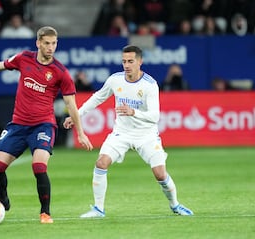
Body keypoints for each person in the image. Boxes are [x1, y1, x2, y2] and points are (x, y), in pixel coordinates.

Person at [0, 26, 93, 224]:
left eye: (54, 43)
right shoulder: (24, 58)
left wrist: (81, 133)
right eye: (47, 43)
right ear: (38, 43)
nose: (51, 47)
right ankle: (3, 202)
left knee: (39, 166)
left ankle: (45, 213)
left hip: (43, 126)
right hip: (18, 125)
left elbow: (71, 105)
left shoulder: (60, 73)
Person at [63, 45, 193, 218]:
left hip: (146, 135)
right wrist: (76, 115)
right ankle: (98, 209)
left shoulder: (150, 85)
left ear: (140, 62)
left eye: (130, 61)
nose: (126, 65)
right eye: (124, 61)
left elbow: (155, 116)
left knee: (160, 174)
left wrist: (134, 112)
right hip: (121, 133)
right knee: (101, 163)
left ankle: (175, 205)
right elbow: (97, 98)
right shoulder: (115, 80)